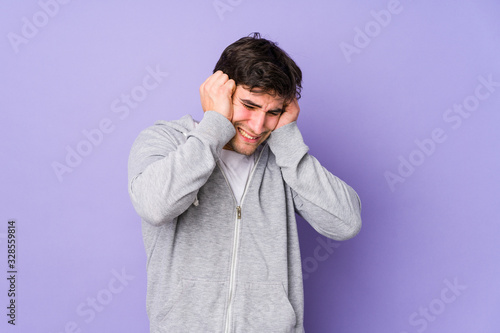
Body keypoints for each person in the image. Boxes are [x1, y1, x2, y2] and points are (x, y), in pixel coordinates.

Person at [128, 32, 362, 333]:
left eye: (273, 112)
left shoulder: (283, 159)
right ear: (220, 92)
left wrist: (287, 139)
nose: (258, 126)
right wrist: (214, 124)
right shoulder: (165, 140)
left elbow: (345, 223)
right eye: (249, 106)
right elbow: (155, 206)